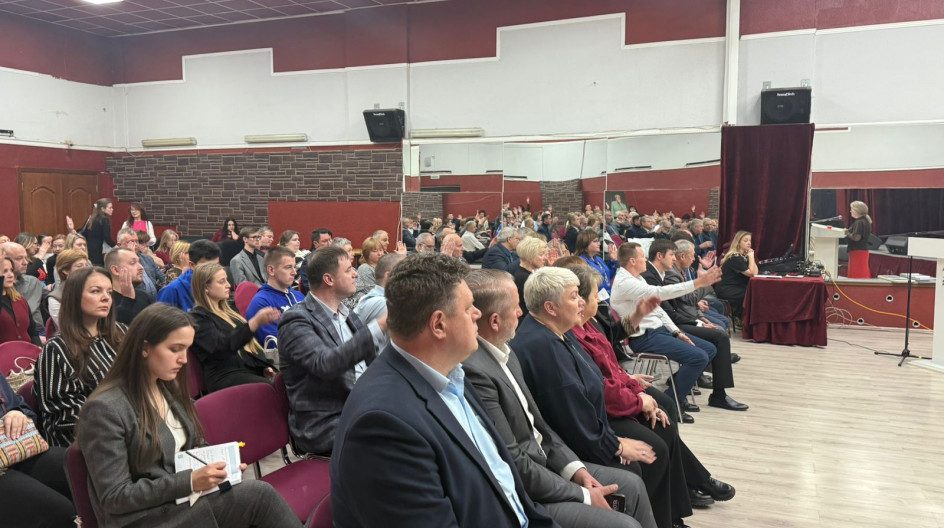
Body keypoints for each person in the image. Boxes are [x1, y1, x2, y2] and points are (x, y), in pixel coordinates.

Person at [330, 253, 556, 527]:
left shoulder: (452, 373)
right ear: (438, 325)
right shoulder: (383, 425)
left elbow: (504, 483)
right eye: (469, 308)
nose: (478, 314)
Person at [464, 269, 657, 528]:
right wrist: (583, 491)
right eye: (515, 307)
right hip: (529, 487)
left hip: (553, 459)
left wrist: (575, 470)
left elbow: (540, 427)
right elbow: (515, 459)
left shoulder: (506, 351)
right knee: (626, 518)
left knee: (633, 484)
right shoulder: (486, 366)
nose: (521, 313)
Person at [77, 304, 298, 528]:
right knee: (259, 496)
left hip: (181, 498)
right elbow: (115, 497)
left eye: (187, 349)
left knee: (254, 496)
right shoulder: (104, 409)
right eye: (175, 349)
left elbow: (192, 444)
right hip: (147, 517)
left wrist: (218, 467)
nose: (184, 359)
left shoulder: (166, 387)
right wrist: (190, 481)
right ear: (145, 348)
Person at [279, 246, 385, 456]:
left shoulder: (348, 315)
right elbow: (325, 364)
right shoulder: (296, 320)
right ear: (329, 279)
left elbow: (372, 364)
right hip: (326, 422)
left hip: (361, 405)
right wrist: (379, 326)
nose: (355, 274)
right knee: (402, 436)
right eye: (348, 270)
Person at [611, 243, 722, 413]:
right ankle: (671, 405)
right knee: (699, 357)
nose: (645, 260)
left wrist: (676, 332)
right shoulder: (625, 283)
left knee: (709, 349)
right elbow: (660, 292)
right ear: (632, 261)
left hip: (658, 332)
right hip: (643, 337)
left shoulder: (637, 278)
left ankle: (676, 389)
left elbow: (658, 309)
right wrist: (698, 282)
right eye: (642, 257)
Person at [641, 240, 746, 411]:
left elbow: (670, 308)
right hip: (668, 325)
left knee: (717, 336)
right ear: (660, 256)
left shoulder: (662, 273)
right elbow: (673, 308)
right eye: (672, 255)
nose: (674, 258)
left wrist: (700, 318)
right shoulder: (656, 276)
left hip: (676, 321)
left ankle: (698, 387)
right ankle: (689, 393)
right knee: (718, 337)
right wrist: (703, 285)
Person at [35, 266, 126, 446]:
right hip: (86, 440)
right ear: (75, 297)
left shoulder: (121, 332)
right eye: (96, 291)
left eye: (109, 292)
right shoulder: (56, 349)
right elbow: (64, 414)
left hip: (128, 425)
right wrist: (124, 425)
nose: (106, 297)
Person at [189, 263, 278, 393]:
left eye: (227, 280)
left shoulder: (230, 312)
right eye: (222, 281)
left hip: (245, 372)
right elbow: (221, 347)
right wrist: (253, 323)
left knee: (284, 380)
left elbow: (248, 349)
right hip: (224, 376)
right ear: (206, 287)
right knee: (271, 388)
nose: (229, 285)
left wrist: (263, 367)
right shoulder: (198, 317)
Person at [0, 374, 75, 527]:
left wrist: (17, 413)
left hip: (16, 447)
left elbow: (22, 408)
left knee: (83, 466)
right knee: (58, 511)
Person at [352, 252, 405, 377]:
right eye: (407, 273)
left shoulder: (380, 298)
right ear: (389, 276)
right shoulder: (382, 303)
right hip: (380, 375)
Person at [245, 247, 304, 346]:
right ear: (271, 270)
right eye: (288, 267)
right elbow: (274, 344)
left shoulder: (299, 296)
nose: (294, 272)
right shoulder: (261, 303)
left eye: (294, 267)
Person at [156, 240, 220, 312]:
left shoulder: (215, 283)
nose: (214, 270)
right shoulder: (172, 285)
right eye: (186, 253)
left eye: (217, 265)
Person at [1, 242, 45, 331]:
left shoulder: (33, 282)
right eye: (19, 258)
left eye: (26, 258)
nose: (26, 262)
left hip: (38, 330)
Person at [106, 247, 155, 325]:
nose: (141, 267)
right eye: (132, 263)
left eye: (139, 262)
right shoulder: (106, 301)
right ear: (115, 270)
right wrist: (128, 299)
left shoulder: (144, 295)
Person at [714, 231, 757, 318]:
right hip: (727, 289)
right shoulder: (735, 257)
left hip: (736, 287)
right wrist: (751, 257)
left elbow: (755, 272)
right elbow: (752, 273)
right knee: (753, 294)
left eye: (750, 240)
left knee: (754, 292)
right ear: (738, 242)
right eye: (745, 240)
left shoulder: (742, 256)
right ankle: (743, 319)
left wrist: (750, 257)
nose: (749, 243)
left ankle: (743, 318)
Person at [1, 257, 41, 345]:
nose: (11, 275)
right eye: (4, 271)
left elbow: (33, 331)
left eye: (11, 270)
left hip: (27, 351)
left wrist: (38, 347)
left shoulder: (20, 300)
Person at [47, 249, 90, 330]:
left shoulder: (95, 288)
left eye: (86, 265)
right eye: (79, 266)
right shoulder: (56, 298)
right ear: (66, 270)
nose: (86, 269)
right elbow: (66, 327)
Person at [73, 198, 116, 266]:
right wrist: (115, 246)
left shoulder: (91, 218)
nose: (112, 209)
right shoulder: (104, 219)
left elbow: (83, 233)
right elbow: (107, 237)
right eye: (110, 208)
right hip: (97, 251)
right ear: (102, 209)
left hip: (88, 249)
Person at [575, 230, 619, 296]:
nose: (599, 244)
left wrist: (613, 261)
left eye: (598, 241)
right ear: (585, 244)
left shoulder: (598, 258)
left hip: (608, 295)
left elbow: (608, 278)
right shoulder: (581, 261)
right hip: (597, 298)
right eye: (595, 241)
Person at [513, 236, 548, 317]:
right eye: (541, 254)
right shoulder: (524, 278)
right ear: (529, 257)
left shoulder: (528, 274)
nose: (545, 258)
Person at [298, 228, 333, 293]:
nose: (329, 244)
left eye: (330, 240)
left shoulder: (335, 257)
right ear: (316, 243)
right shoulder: (309, 261)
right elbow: (310, 287)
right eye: (325, 241)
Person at [353, 236, 384, 305]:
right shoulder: (365, 268)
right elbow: (372, 292)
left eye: (381, 250)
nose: (380, 254)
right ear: (367, 253)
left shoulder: (383, 266)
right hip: (372, 303)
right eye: (375, 251)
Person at [845, 200, 872, 279]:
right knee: (861, 273)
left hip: (857, 251)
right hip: (862, 250)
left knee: (856, 274)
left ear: (857, 211)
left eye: (852, 209)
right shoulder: (865, 221)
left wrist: (847, 232)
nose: (850, 211)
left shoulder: (859, 222)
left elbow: (856, 238)